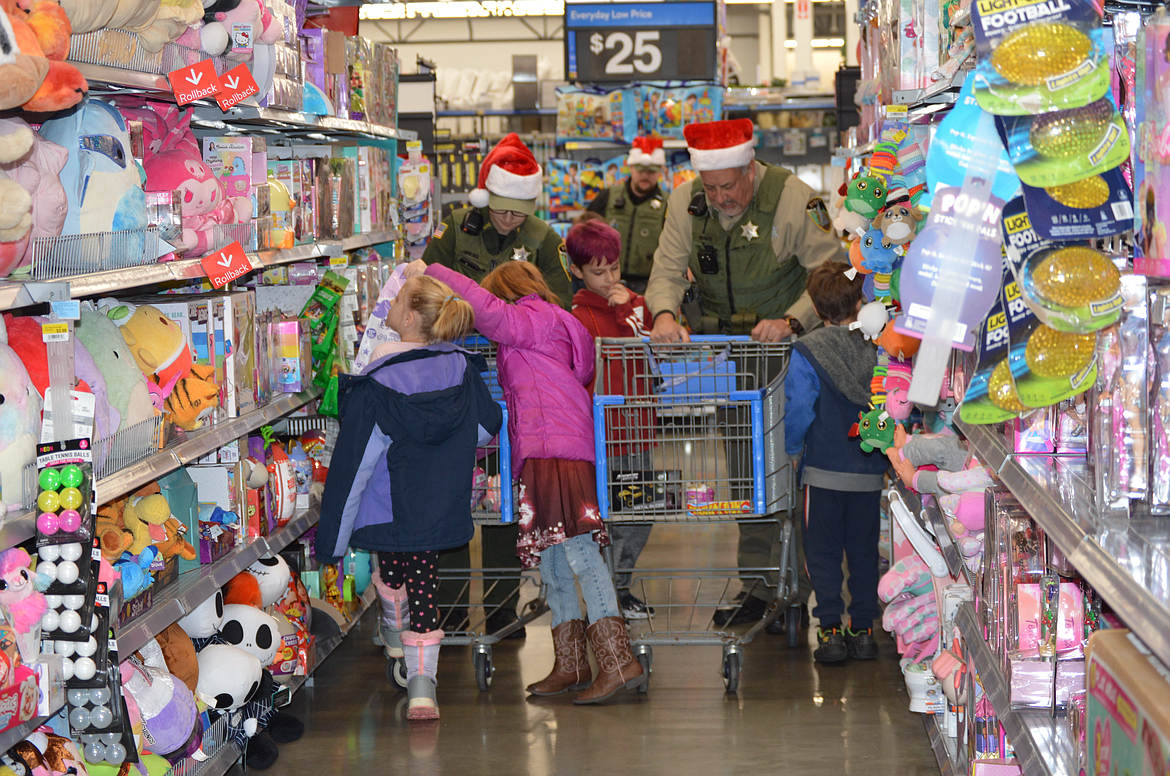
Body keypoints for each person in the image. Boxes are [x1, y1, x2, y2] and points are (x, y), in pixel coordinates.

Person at [404, 258, 647, 704]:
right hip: (549, 450)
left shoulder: (531, 320)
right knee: (553, 559)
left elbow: (485, 307)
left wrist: (436, 268)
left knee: (578, 553)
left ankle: (617, 662)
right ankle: (571, 664)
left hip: (554, 452)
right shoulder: (557, 326)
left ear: (510, 293)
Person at [645, 118, 847, 630]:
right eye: (711, 188)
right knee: (743, 469)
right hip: (725, 355)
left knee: (785, 467)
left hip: (787, 353)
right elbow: (667, 270)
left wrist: (793, 319)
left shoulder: (794, 197)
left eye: (730, 185)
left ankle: (792, 586)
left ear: (751, 169)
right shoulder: (685, 204)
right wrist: (665, 313)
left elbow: (834, 268)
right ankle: (761, 585)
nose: (721, 197)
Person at [316, 274, 503, 719]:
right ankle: (415, 672)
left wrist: (332, 540)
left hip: (389, 509)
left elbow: (353, 464)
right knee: (421, 578)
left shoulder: (378, 384)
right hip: (440, 506)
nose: (390, 305)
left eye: (397, 299)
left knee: (399, 571)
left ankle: (410, 665)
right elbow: (486, 426)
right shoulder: (462, 368)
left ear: (411, 316)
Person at [423, 133, 572, 637]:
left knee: (505, 493)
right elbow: (427, 284)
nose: (509, 221)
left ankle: (505, 607)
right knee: (452, 490)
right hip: (458, 374)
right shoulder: (455, 231)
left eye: (518, 213)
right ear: (486, 200)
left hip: (516, 382)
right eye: (502, 212)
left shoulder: (547, 240)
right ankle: (450, 609)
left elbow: (559, 307)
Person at [784, 262, 888, 664]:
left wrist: (794, 450)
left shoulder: (808, 350)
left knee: (823, 553)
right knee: (863, 552)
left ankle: (830, 629)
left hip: (823, 471)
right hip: (868, 472)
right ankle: (864, 630)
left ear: (815, 307)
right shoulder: (877, 344)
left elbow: (800, 410)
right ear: (860, 300)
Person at [566, 219, 656, 620]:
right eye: (598, 272)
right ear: (577, 271)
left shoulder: (637, 304)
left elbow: (657, 348)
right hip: (599, 437)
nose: (609, 279)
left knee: (639, 515)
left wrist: (625, 311)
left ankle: (618, 587)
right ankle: (607, 593)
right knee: (603, 520)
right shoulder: (576, 317)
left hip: (638, 431)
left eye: (614, 268)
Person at [586, 137, 668, 293]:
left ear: (660, 171)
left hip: (650, 289)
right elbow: (583, 235)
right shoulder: (607, 197)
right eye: (640, 169)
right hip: (606, 286)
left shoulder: (669, 204)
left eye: (651, 171)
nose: (645, 175)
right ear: (630, 167)